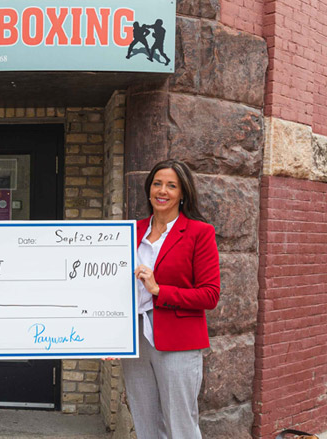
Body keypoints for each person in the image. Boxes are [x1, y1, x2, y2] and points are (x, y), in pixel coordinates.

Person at [123, 159, 220, 438]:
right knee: (145, 422)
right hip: (137, 339)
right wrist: (112, 336)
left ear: (182, 193)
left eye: (171, 185)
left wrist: (159, 290)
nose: (162, 191)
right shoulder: (131, 231)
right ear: (148, 189)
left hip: (178, 340)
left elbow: (210, 294)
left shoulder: (199, 233)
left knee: (181, 426)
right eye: (157, 183)